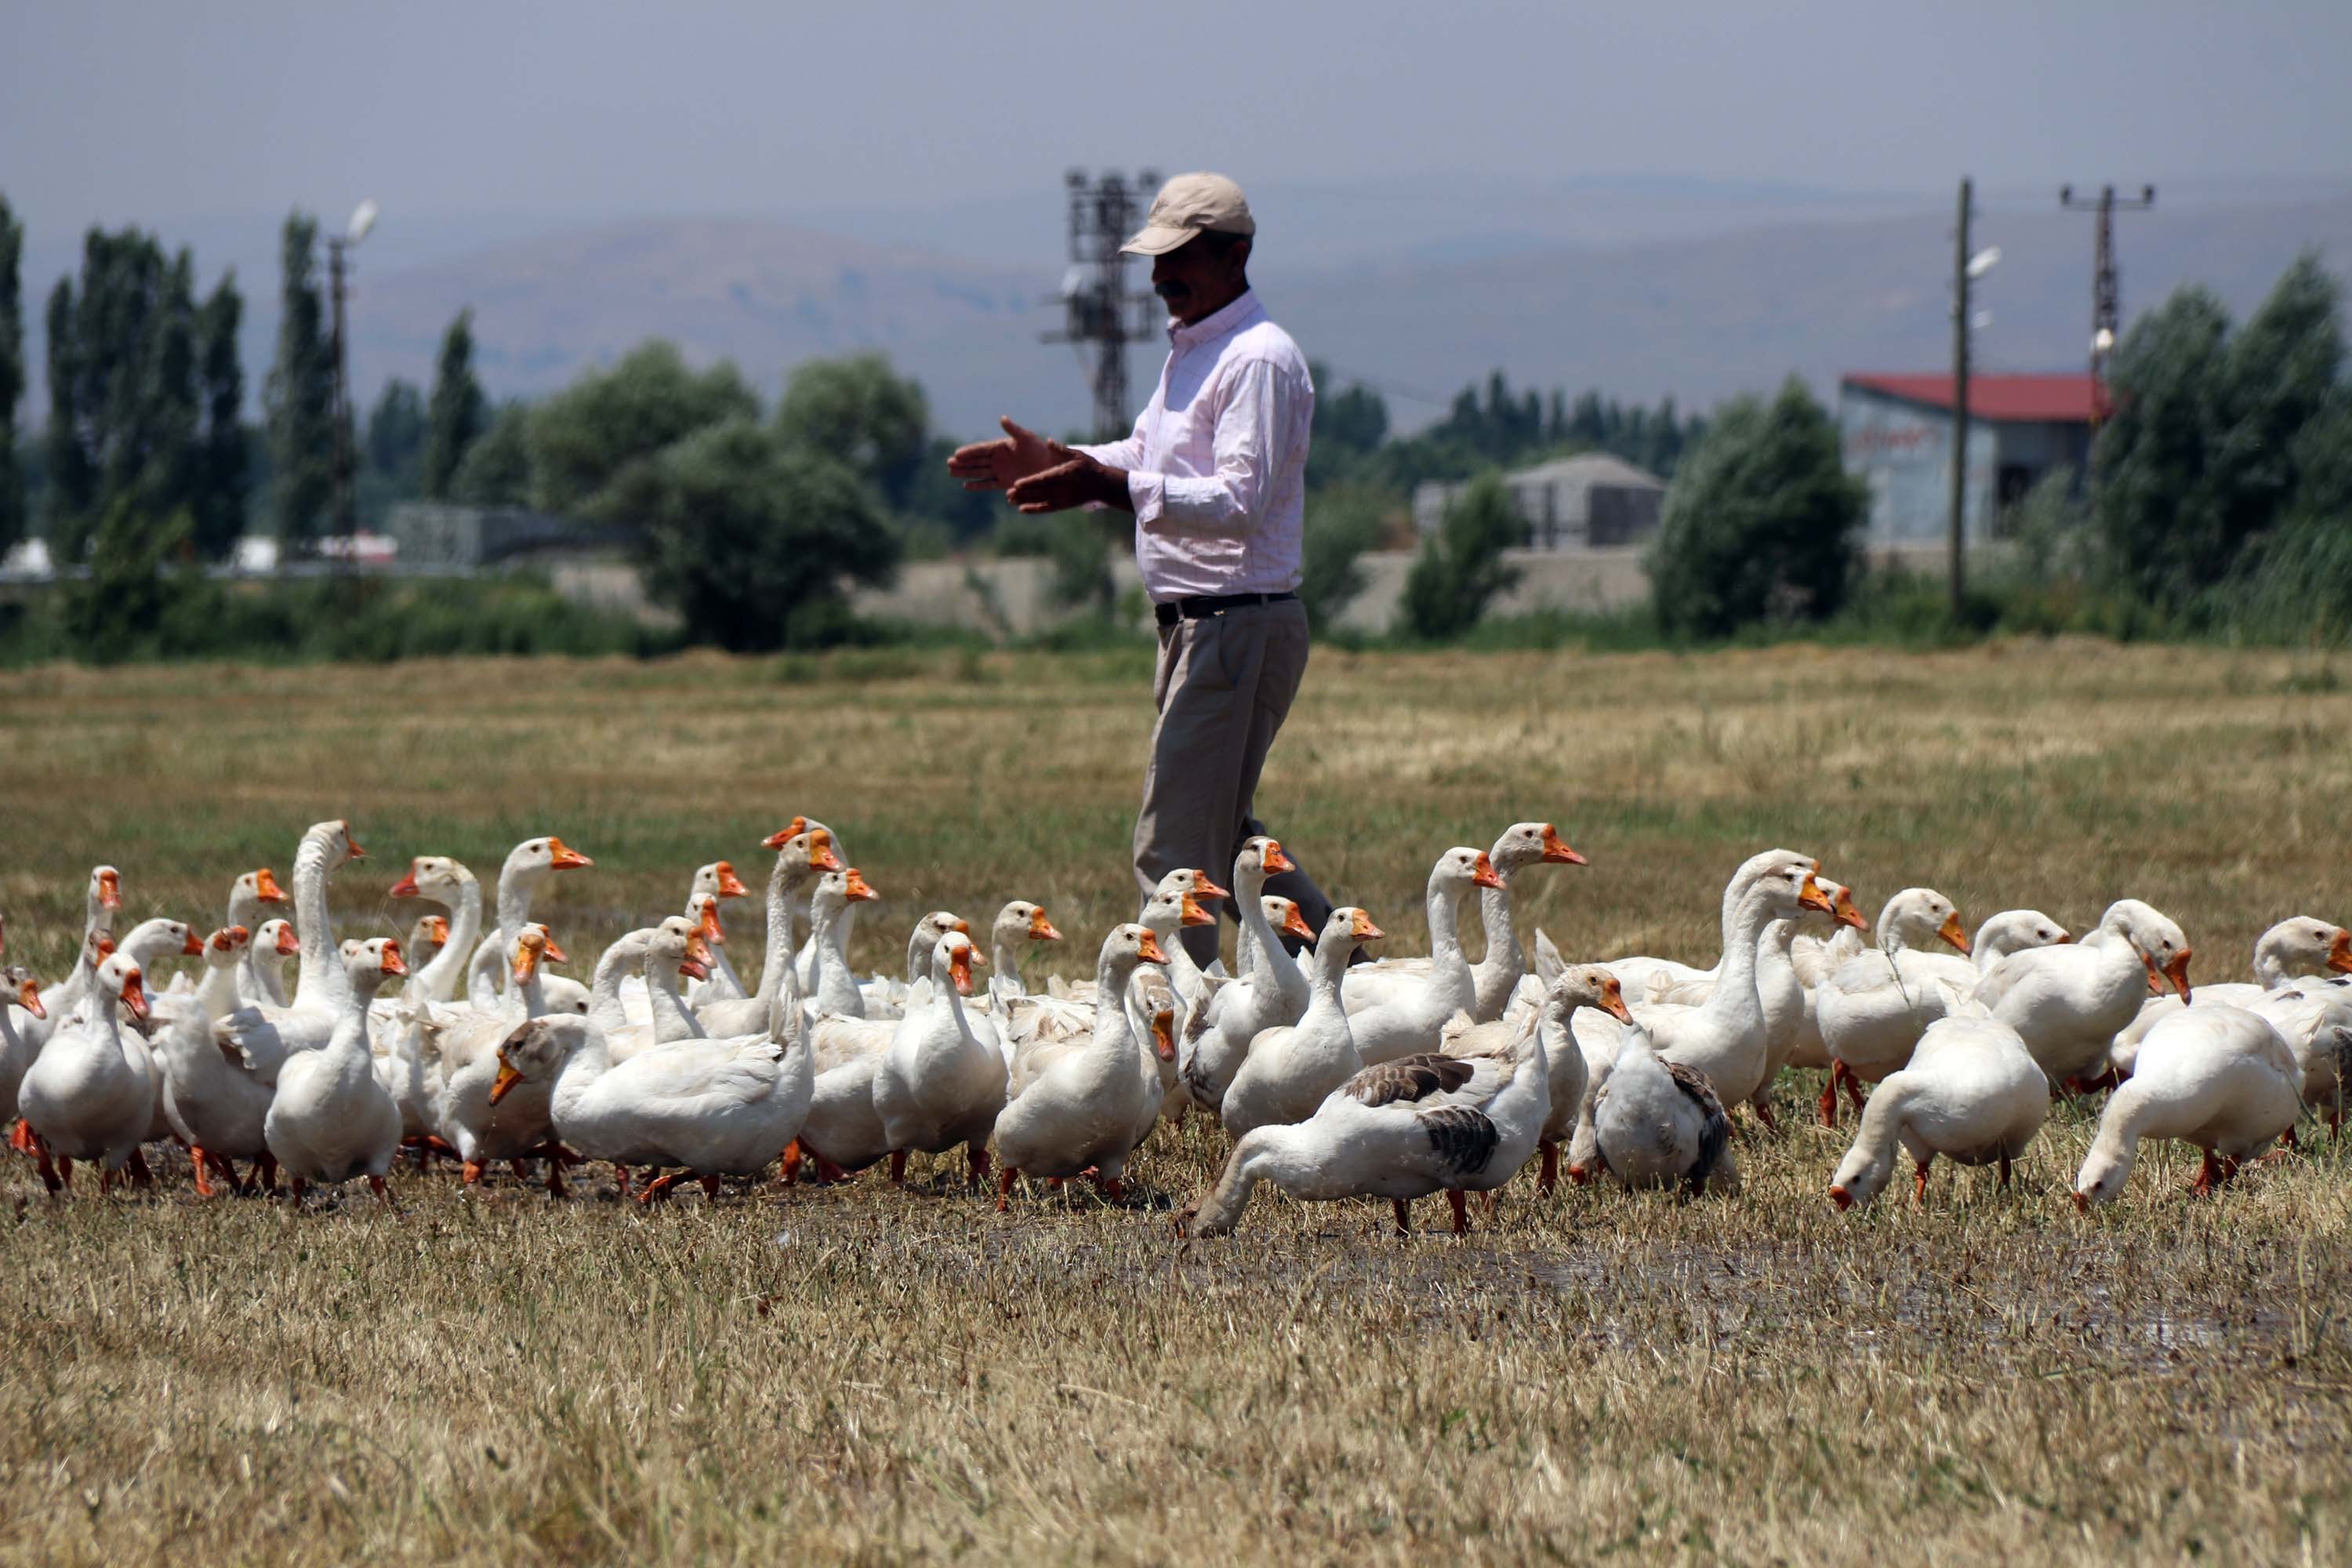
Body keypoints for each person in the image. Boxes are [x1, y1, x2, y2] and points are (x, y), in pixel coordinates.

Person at [947, 171, 1332, 965]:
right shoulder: (1195, 351)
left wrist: (1105, 482)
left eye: (1178, 257)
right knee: (1226, 841)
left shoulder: (1256, 359)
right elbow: (1147, 458)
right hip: (1206, 626)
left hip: (1236, 621)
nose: (1159, 278)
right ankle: (1350, 977)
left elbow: (1238, 502)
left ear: (1235, 256)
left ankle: (1186, 1041)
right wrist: (1063, 460)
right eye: (1155, 260)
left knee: (1174, 856)